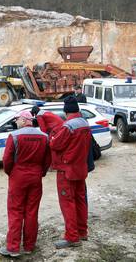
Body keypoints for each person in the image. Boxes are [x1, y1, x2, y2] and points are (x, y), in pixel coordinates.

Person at [0, 111, 51, 257]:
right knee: (32, 211)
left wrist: (11, 173)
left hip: (18, 177)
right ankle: (29, 246)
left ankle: (13, 248)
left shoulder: (14, 136)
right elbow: (48, 159)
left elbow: (7, 159)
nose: (16, 122)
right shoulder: (44, 136)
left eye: (17, 119)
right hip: (35, 177)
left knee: (16, 211)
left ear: (24, 120)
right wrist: (41, 172)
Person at [49, 96, 91, 248]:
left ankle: (72, 237)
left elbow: (55, 144)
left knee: (68, 203)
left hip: (66, 170)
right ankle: (82, 232)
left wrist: (52, 136)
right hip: (80, 169)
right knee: (80, 201)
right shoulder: (84, 123)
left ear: (66, 111)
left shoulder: (68, 127)